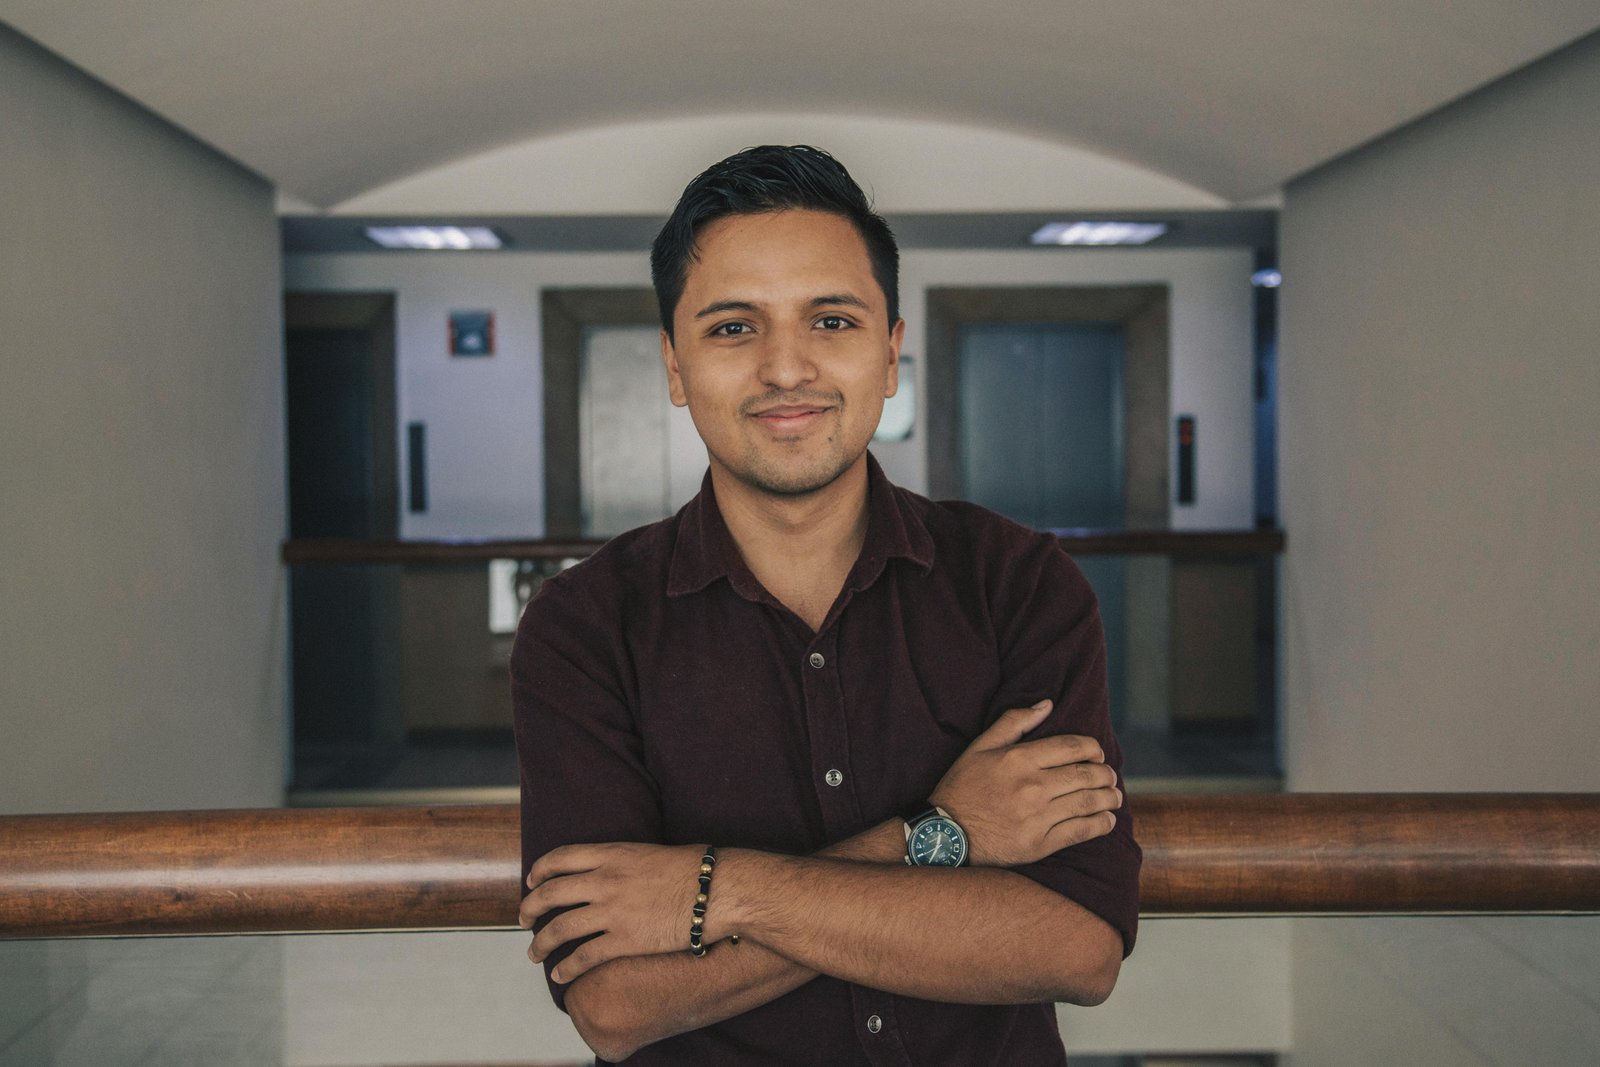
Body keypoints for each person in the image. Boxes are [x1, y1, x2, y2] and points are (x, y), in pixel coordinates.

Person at [513, 145, 1140, 1065]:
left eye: (832, 320)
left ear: (889, 355)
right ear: (675, 366)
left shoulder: (1017, 583)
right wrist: (943, 837)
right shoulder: (584, 628)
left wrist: (714, 890)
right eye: (733, 328)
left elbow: (1076, 947)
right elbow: (616, 1002)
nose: (785, 368)